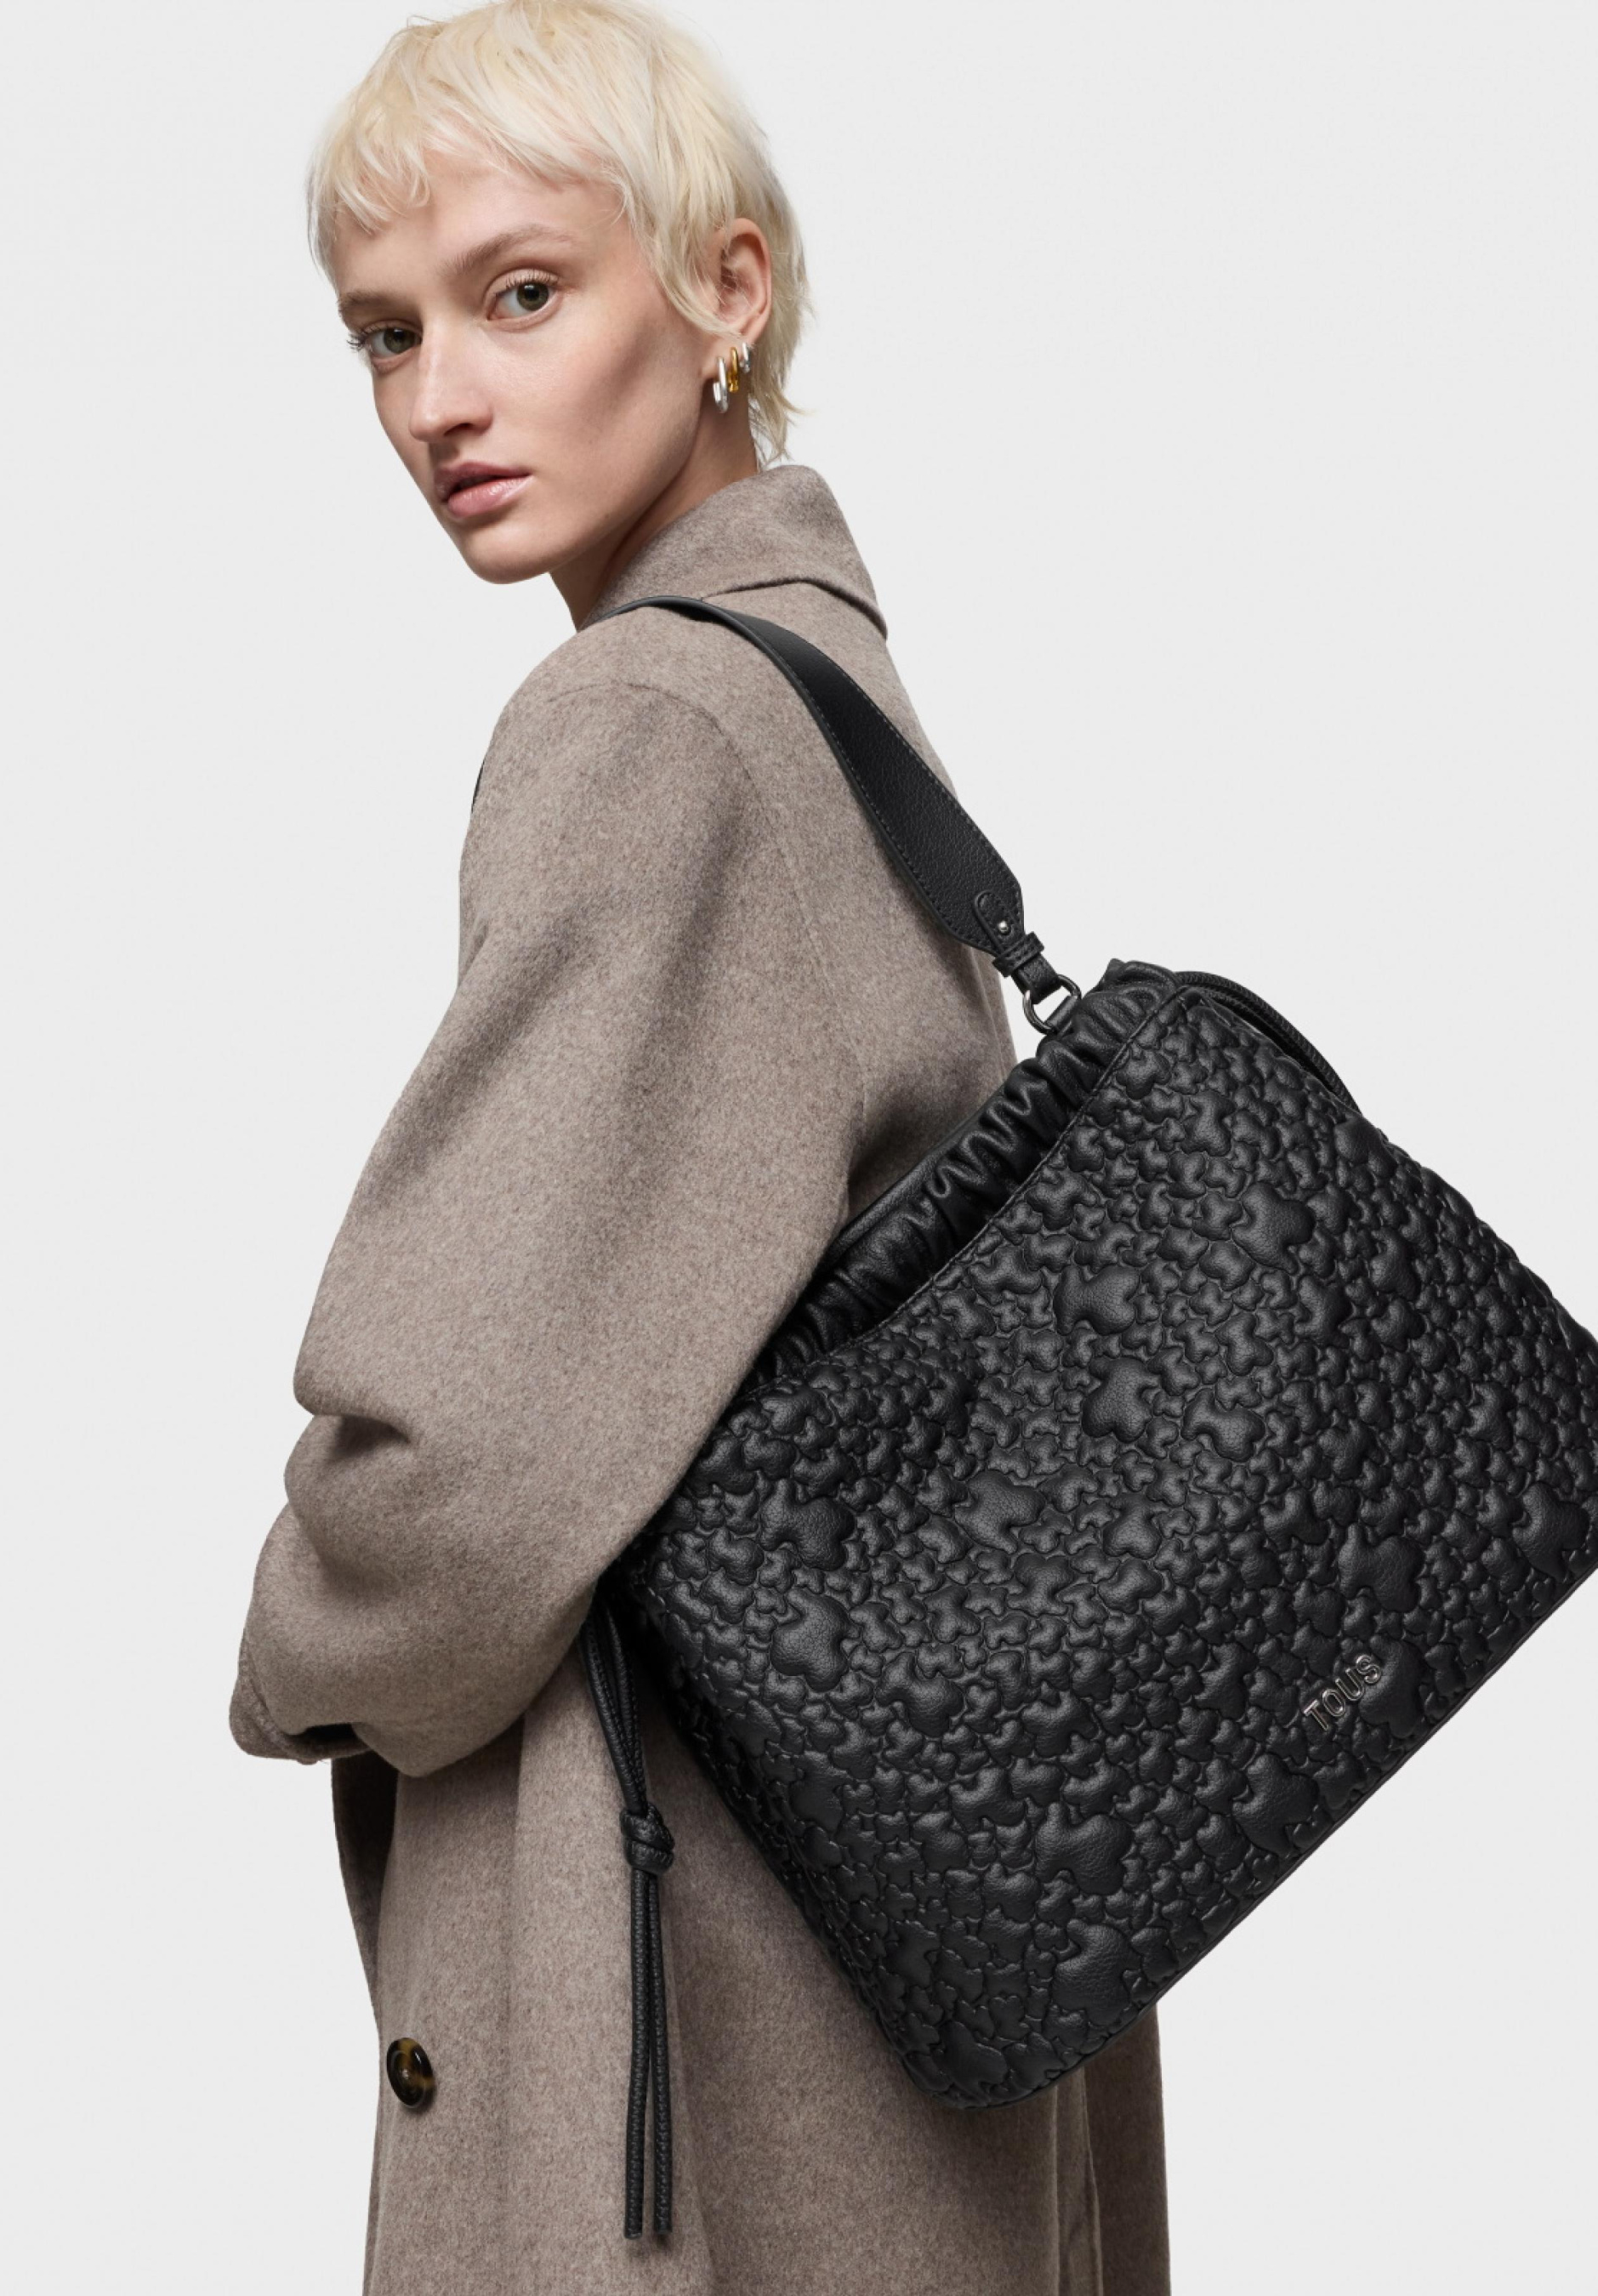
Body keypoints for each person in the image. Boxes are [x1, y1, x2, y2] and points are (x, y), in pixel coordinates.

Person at [229, 3, 1172, 2288]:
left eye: (519, 293)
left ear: (724, 289)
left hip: (708, 2010)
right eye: (386, 333)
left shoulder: (651, 720)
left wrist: (296, 1637)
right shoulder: (826, 688)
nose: (440, 400)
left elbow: (462, 1478)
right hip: (906, 1952)